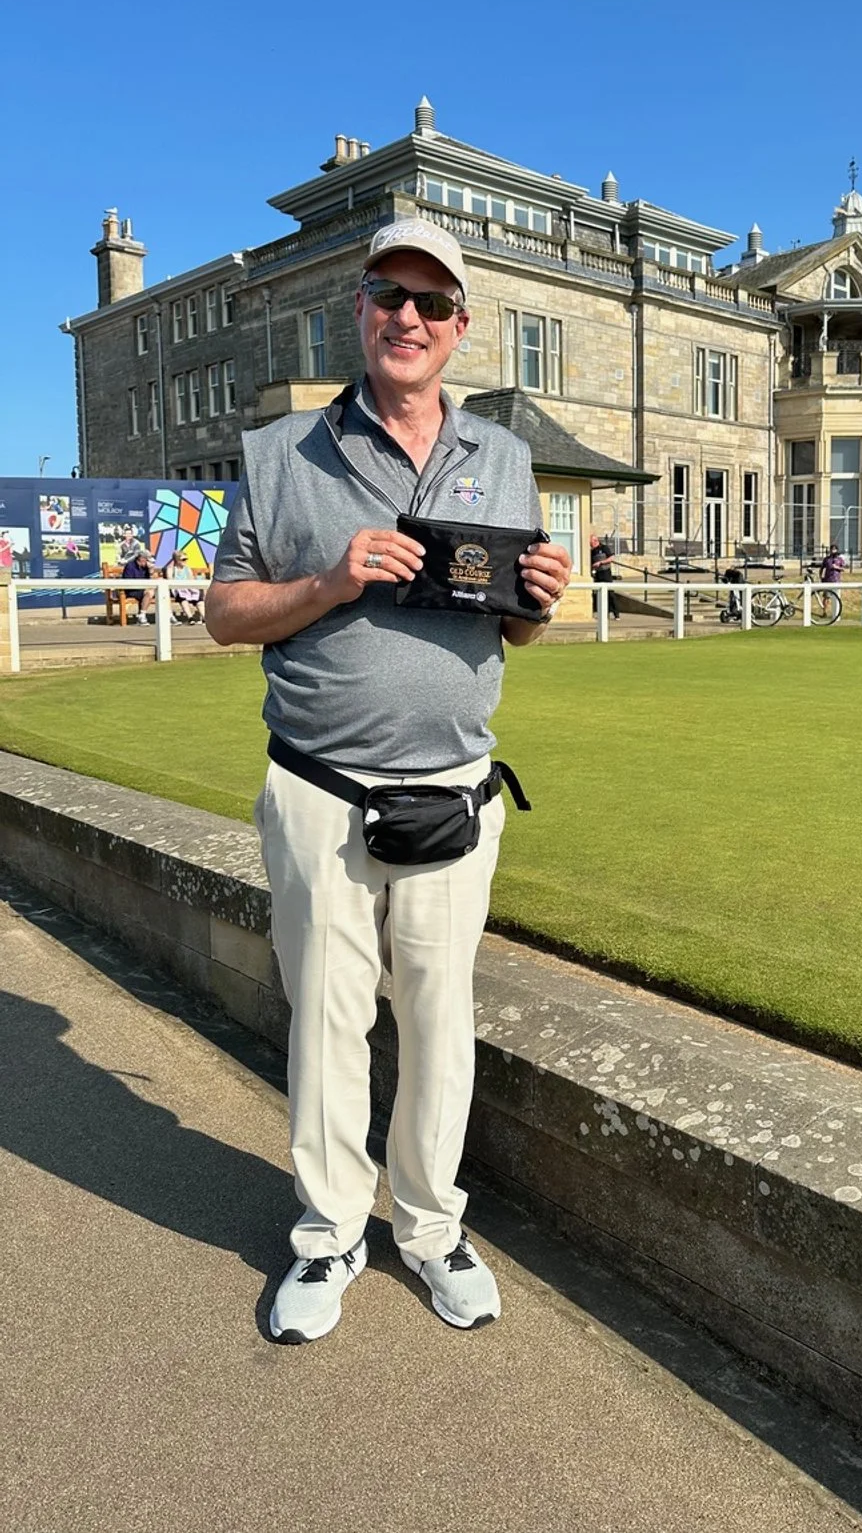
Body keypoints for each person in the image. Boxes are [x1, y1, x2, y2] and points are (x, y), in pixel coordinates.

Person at [205, 220, 572, 1344]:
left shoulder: (503, 458)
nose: (406, 318)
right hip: (321, 788)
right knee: (323, 1020)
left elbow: (506, 622)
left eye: (430, 302)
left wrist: (541, 596)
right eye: (386, 296)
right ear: (358, 312)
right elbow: (225, 614)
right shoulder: (280, 452)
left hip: (455, 789)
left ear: (460, 327)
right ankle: (326, 1237)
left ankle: (428, 1226)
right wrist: (330, 577)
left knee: (438, 1021)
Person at [589, 531, 621, 619]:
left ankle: (616, 613)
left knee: (610, 593)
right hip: (598, 574)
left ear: (595, 541)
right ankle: (604, 614)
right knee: (599, 594)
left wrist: (601, 562)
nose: (591, 545)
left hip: (606, 573)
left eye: (591, 543)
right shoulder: (592, 552)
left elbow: (611, 558)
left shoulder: (604, 548)